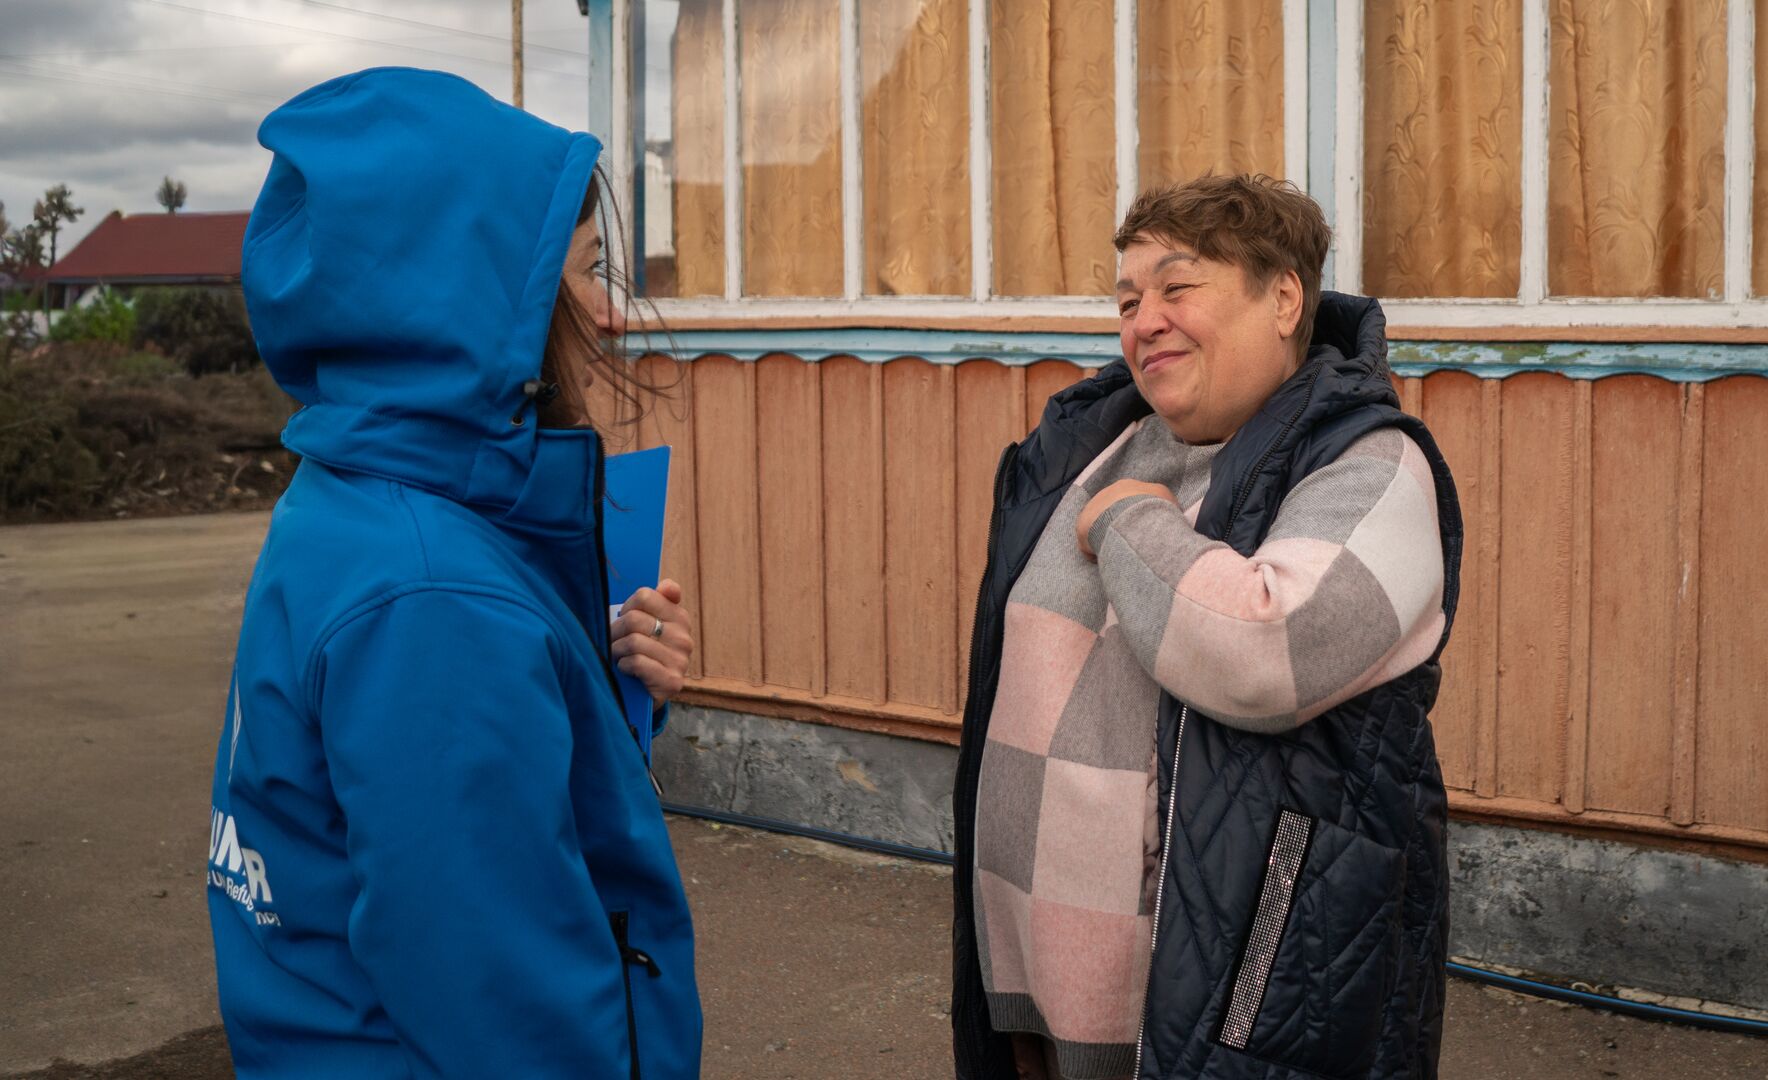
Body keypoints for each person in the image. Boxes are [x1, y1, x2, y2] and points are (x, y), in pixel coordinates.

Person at [205, 68, 701, 1079]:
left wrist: (585, 680)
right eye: (585, 269)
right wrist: (501, 656)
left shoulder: (356, 502)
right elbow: (507, 1018)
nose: (606, 314)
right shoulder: (434, 598)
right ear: (477, 298)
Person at [951, 174, 1463, 1080]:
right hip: (1031, 987)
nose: (1144, 322)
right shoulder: (1092, 442)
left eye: (1177, 288)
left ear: (1284, 298)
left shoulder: (1372, 465)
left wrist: (1126, 521)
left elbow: (1267, 654)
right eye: (1126, 302)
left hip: (1232, 997)